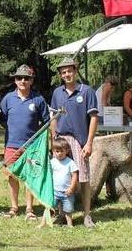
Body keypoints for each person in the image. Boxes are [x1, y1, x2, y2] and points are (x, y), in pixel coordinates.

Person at [50, 57, 98, 228]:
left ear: (75, 71)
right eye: (63, 72)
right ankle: (62, 214)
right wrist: (53, 138)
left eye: (70, 71)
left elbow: (93, 118)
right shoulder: (57, 93)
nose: (67, 74)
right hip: (61, 140)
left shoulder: (87, 91)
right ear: (60, 75)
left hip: (79, 141)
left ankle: (87, 216)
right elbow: (54, 117)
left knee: (83, 179)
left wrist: (89, 142)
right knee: (60, 176)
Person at [0, 64, 50, 220]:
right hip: (11, 145)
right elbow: (3, 120)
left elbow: (47, 122)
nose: (22, 81)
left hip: (31, 146)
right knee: (11, 176)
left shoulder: (38, 99)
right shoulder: (7, 99)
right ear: (15, 80)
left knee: (30, 176)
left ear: (31, 80)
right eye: (19, 78)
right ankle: (14, 207)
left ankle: (29, 209)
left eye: (26, 78)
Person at [41, 137, 78, 228]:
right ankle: (43, 223)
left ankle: (70, 224)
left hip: (67, 192)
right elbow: (48, 174)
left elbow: (74, 175)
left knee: (68, 210)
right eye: (57, 151)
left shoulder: (70, 162)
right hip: (54, 191)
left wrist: (72, 187)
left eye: (62, 151)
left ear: (67, 151)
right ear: (53, 151)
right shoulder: (52, 162)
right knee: (48, 207)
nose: (59, 153)